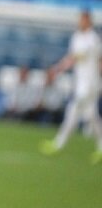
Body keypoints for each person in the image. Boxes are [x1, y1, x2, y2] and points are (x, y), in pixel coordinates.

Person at [39, 10, 102, 164]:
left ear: (88, 21)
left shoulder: (93, 39)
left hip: (91, 83)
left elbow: (78, 57)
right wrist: (58, 69)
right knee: (90, 115)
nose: (80, 22)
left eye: (83, 19)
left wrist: (57, 69)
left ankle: (59, 143)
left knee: (73, 109)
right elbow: (73, 57)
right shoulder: (76, 37)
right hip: (80, 82)